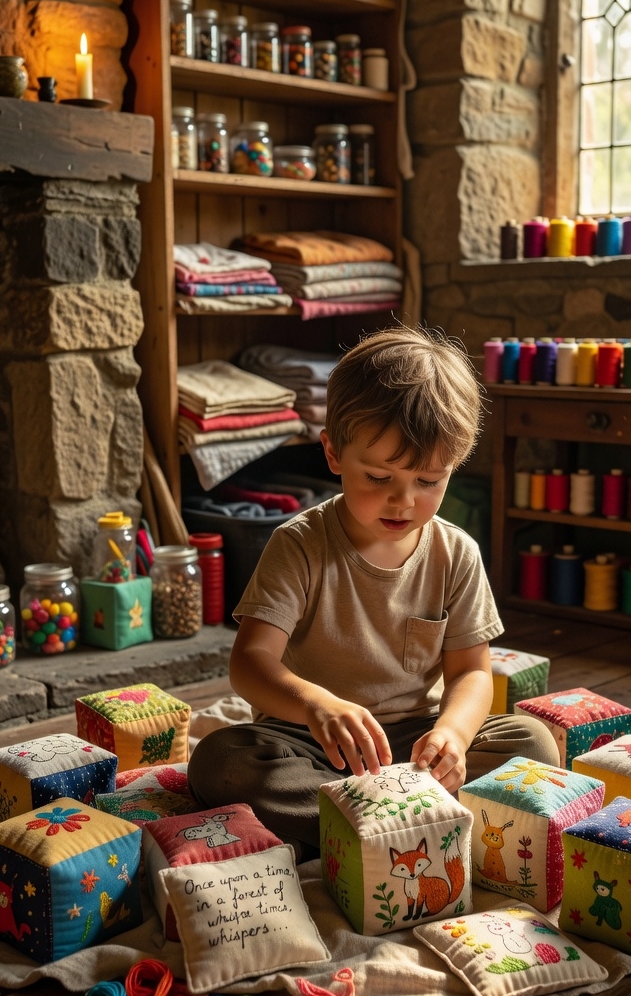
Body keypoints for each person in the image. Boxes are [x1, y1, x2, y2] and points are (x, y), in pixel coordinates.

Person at [188, 325, 558, 852]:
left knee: (533, 744)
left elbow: (472, 671)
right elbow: (250, 663)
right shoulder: (299, 545)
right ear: (335, 454)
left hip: (415, 740)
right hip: (312, 744)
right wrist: (317, 705)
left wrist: (452, 733)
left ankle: (367, 824)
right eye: (379, 478)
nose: (403, 501)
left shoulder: (457, 553)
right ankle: (416, 823)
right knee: (221, 762)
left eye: (428, 481)